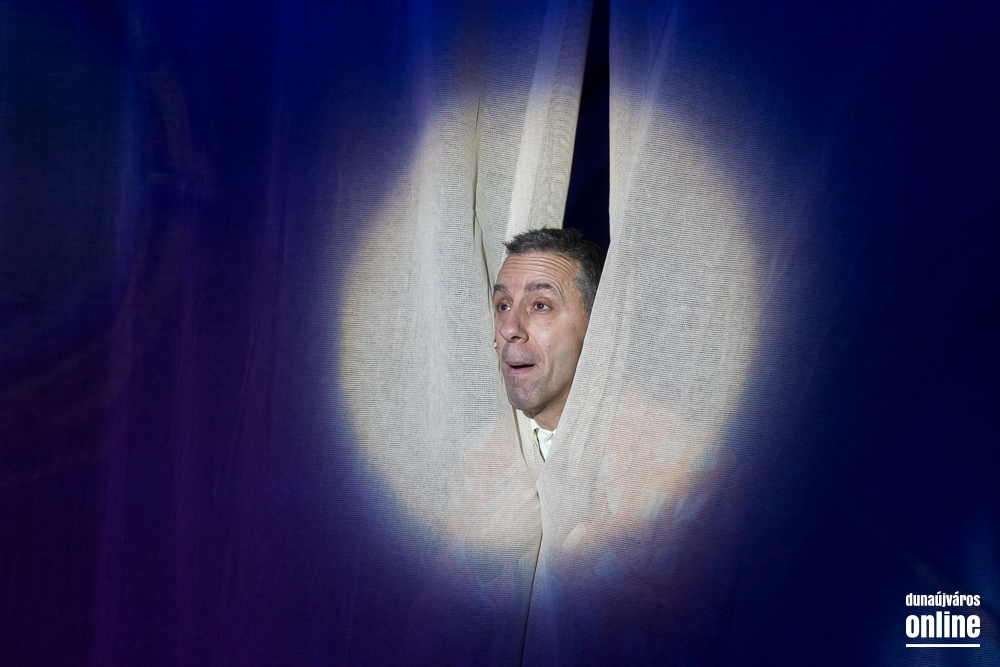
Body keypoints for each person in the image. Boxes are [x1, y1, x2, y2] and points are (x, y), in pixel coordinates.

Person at [492, 228, 606, 461]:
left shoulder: (658, 457)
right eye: (503, 306)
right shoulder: (480, 462)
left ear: (597, 323)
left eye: (540, 306)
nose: (508, 329)